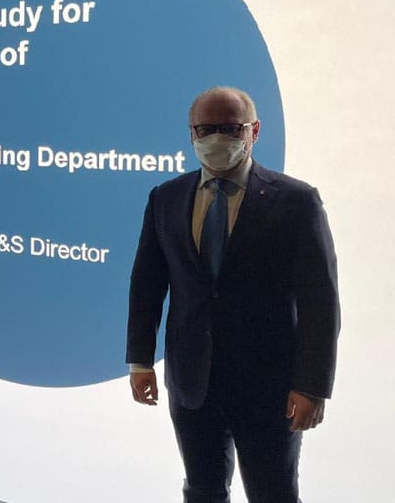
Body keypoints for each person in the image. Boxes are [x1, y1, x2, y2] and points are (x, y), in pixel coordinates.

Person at [127, 86, 340, 502]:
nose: (216, 138)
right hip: (192, 382)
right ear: (191, 133)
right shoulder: (166, 198)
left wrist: (312, 386)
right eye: (205, 129)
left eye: (230, 128)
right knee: (202, 490)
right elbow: (147, 284)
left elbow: (321, 303)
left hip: (269, 387)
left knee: (273, 493)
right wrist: (139, 359)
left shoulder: (296, 201)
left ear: (254, 131)